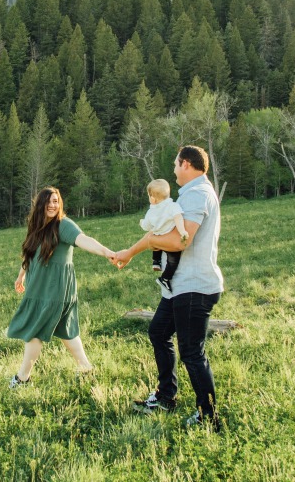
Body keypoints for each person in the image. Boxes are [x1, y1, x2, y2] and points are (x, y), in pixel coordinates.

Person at [113, 145, 224, 430]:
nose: (173, 169)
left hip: (194, 287)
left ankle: (208, 417)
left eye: (176, 164)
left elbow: (178, 242)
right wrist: (130, 251)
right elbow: (162, 232)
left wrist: (148, 243)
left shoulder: (198, 194)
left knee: (192, 352)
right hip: (178, 287)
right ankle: (166, 396)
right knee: (159, 331)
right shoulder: (187, 194)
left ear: (186, 164)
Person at [6, 186, 115, 388]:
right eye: (48, 201)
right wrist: (21, 275)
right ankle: (86, 369)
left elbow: (84, 240)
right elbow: (29, 254)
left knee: (34, 331)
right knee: (67, 331)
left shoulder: (63, 225)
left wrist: (107, 252)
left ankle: (22, 378)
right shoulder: (37, 226)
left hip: (53, 290)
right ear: (40, 204)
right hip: (39, 287)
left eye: (56, 201)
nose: (52, 205)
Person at [139, 178, 188, 292]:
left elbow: (146, 226)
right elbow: (178, 217)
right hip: (168, 238)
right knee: (173, 260)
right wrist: (182, 231)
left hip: (158, 238)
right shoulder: (173, 206)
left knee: (156, 244)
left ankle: (157, 263)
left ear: (153, 199)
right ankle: (165, 278)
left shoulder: (150, 212)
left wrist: (142, 222)